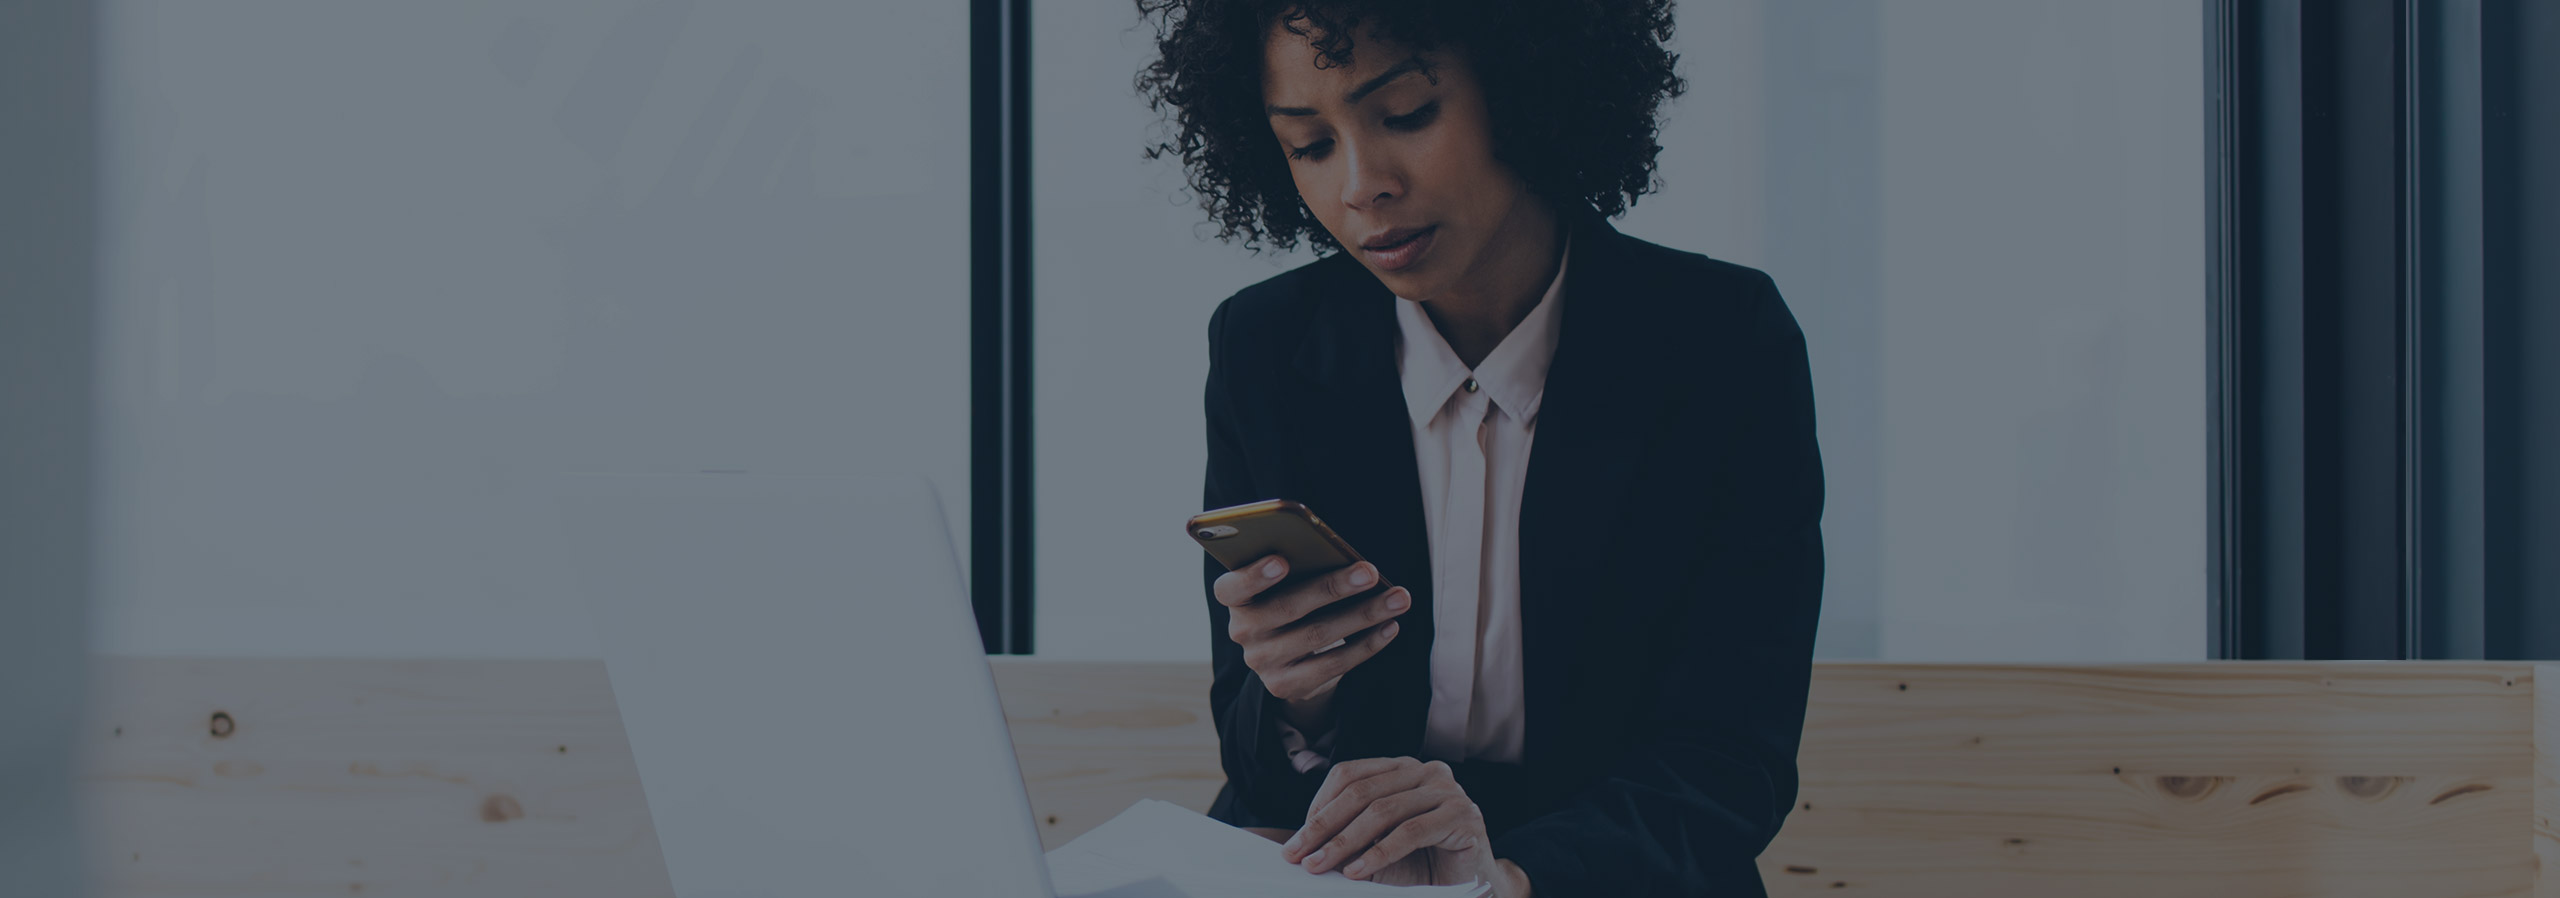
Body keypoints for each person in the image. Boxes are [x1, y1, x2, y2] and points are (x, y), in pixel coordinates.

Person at [1138, 2, 1825, 895]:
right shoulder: (1265, 348)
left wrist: (1502, 880)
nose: (1362, 184)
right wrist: (1297, 699)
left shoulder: (1721, 342)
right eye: (1309, 144)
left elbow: (1731, 760)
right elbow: (1263, 783)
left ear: (1525, 89)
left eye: (1408, 115)